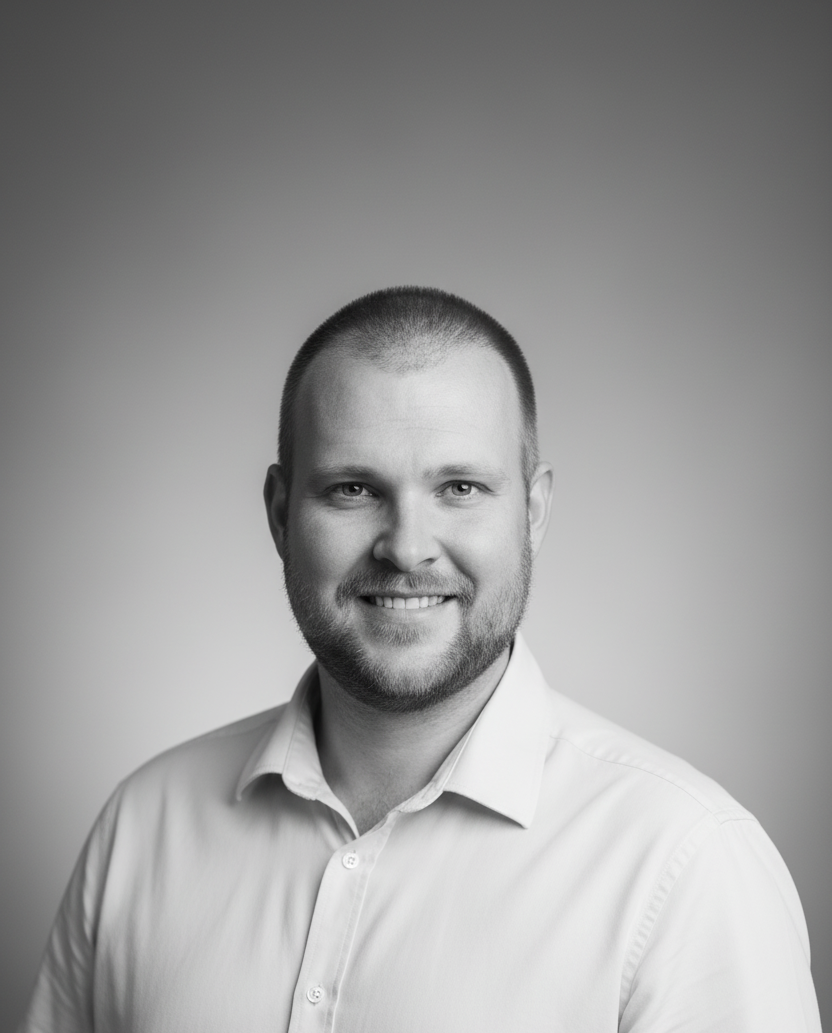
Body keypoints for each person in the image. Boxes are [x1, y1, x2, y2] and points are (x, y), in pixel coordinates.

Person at [19, 287, 821, 1032]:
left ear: (533, 513)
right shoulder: (144, 826)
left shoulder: (687, 868)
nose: (406, 547)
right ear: (278, 513)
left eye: (461, 488)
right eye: (352, 489)